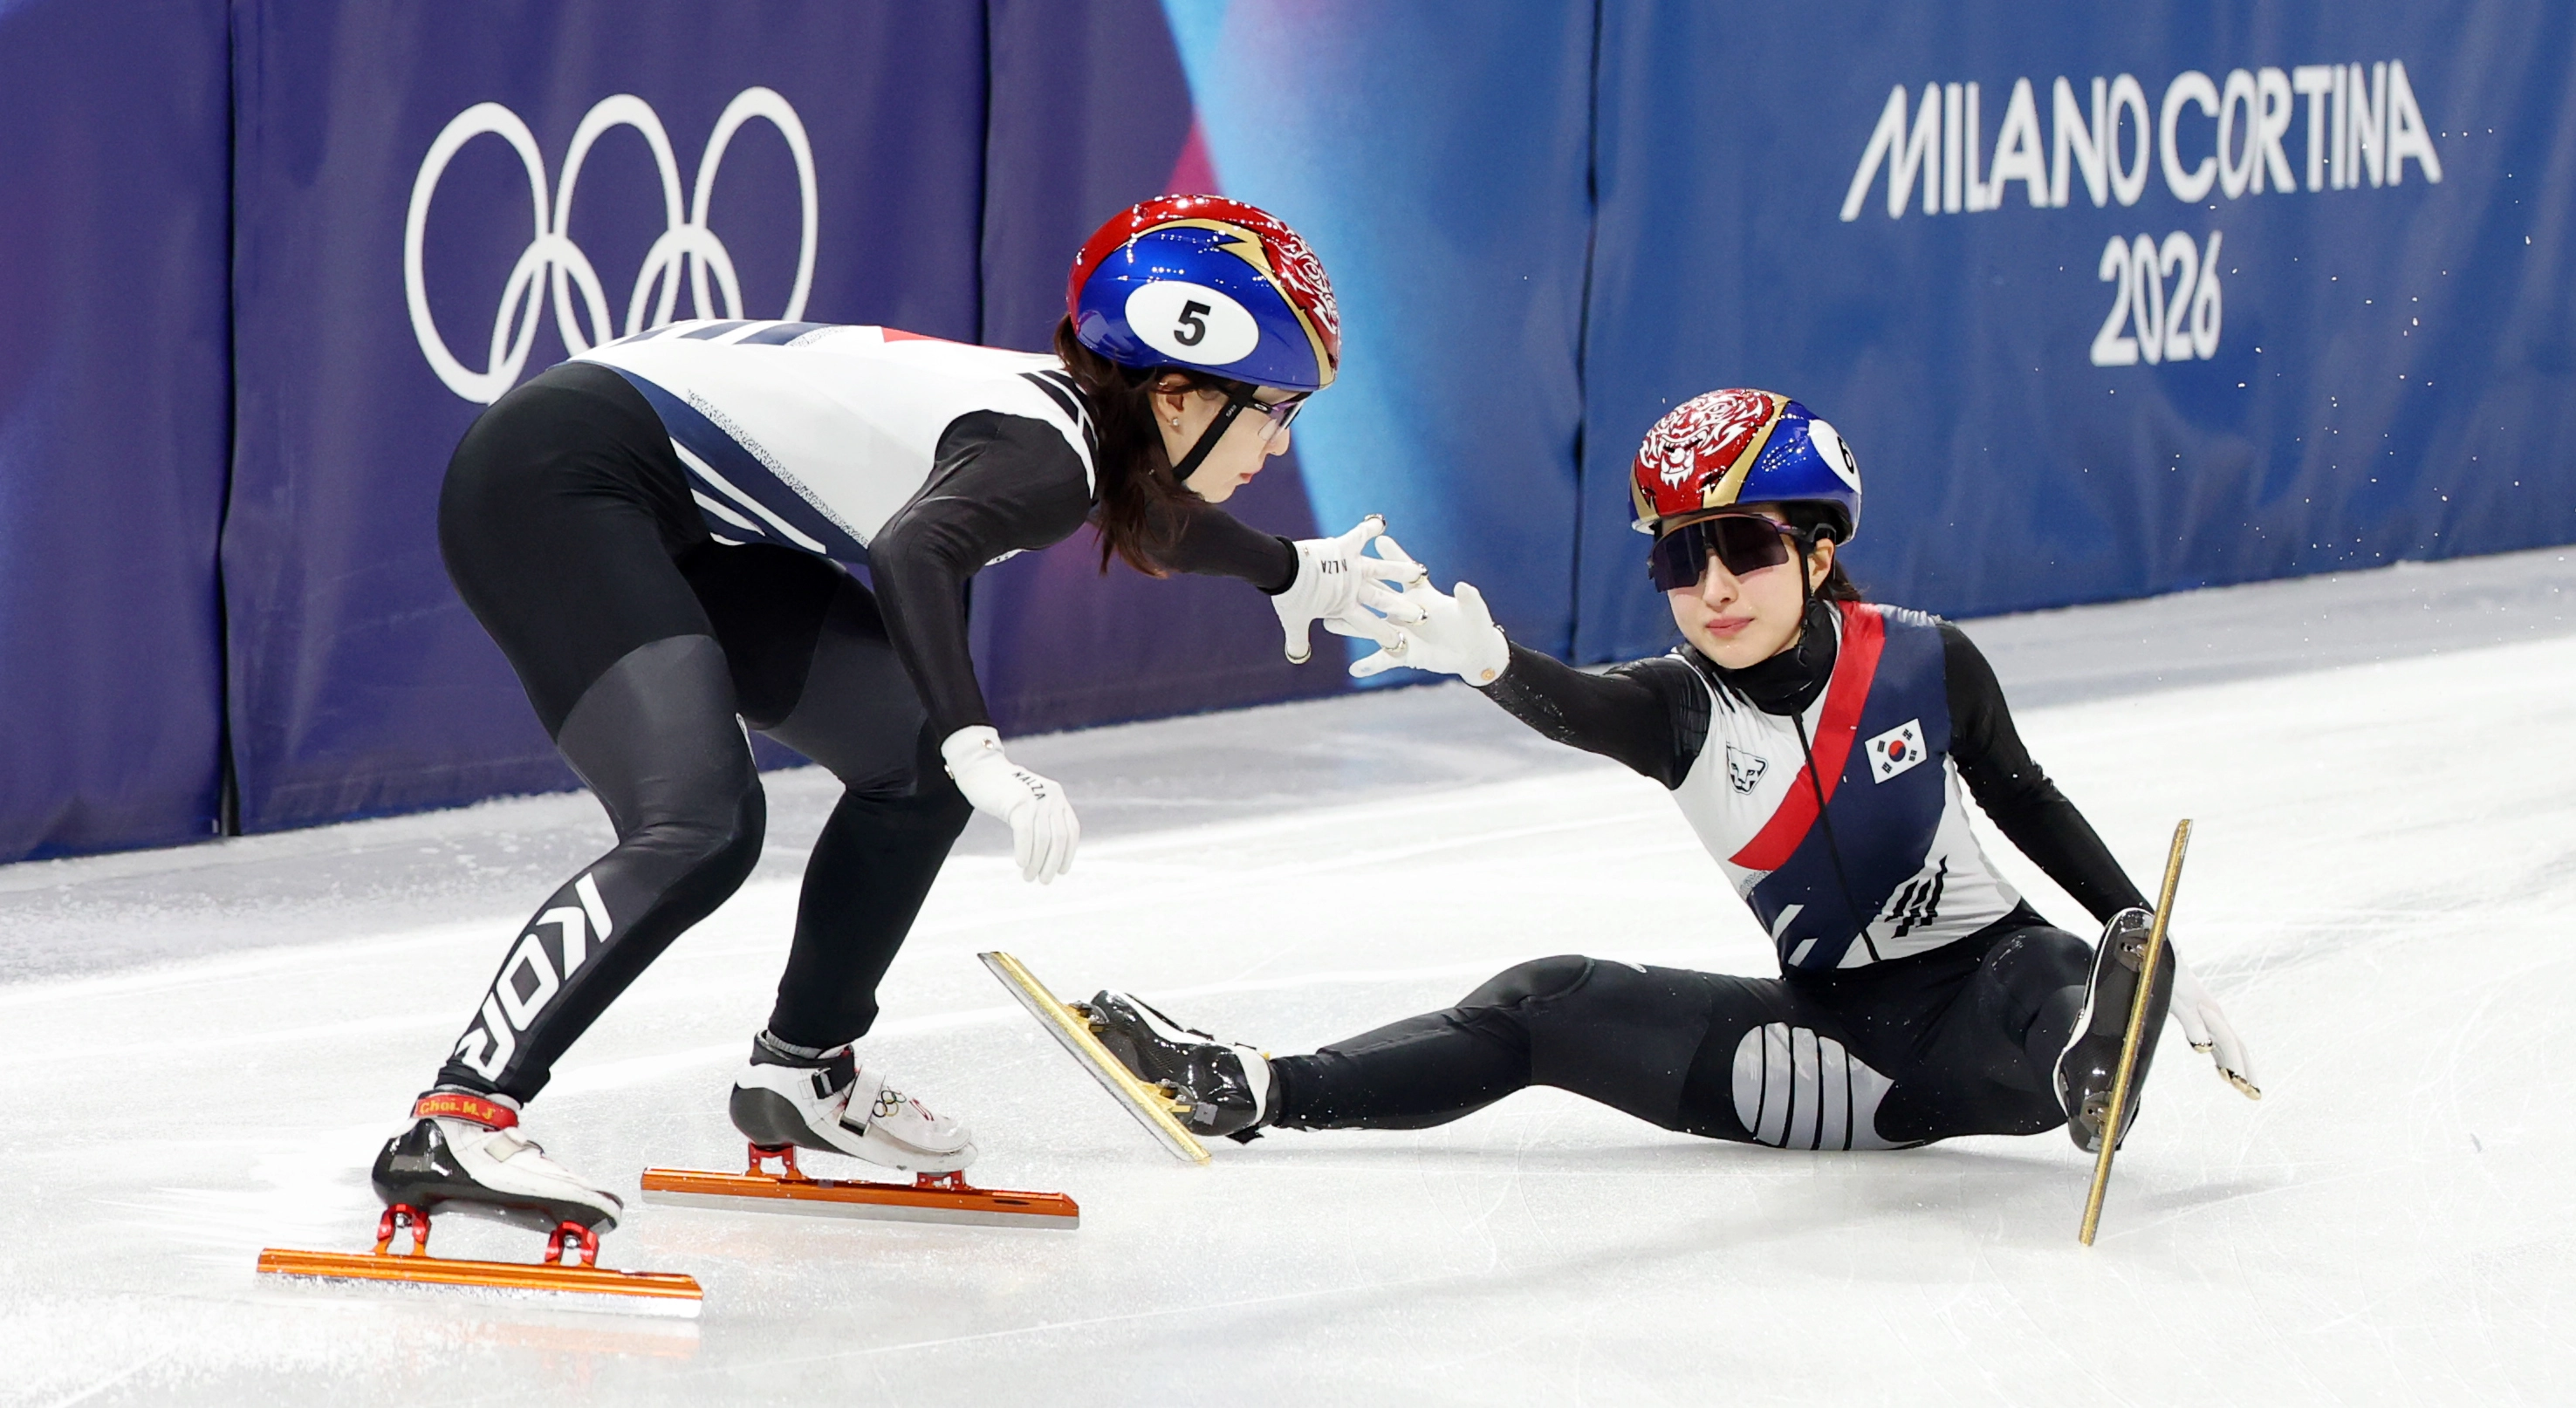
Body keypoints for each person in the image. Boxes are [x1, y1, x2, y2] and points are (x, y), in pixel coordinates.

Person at [372, 195, 1422, 1236]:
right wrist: (983, 746)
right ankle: (460, 1113)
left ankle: (803, 1072)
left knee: (911, 770)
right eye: (1276, 409)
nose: (1280, 447)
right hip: (552, 485)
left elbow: (1145, 515)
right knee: (699, 823)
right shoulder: (1047, 451)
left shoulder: (1071, 430)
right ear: (1183, 395)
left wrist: (1287, 571)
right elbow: (915, 551)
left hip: (669, 509)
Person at [1079, 388, 2260, 1157]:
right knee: (1543, 999)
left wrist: (2145, 931)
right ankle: (1252, 1085)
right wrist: (1486, 660)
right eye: (1682, 561)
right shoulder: (1677, 708)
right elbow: (1575, 707)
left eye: (1744, 546)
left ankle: (2099, 1049)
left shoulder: (1925, 661)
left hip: (2001, 999)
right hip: (1844, 1065)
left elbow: (2025, 796)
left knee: (2060, 964)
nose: (1716, 590)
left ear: (1820, 546)